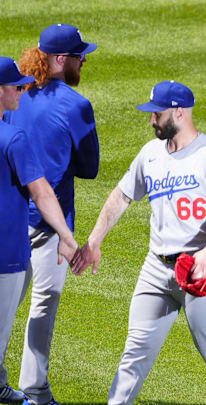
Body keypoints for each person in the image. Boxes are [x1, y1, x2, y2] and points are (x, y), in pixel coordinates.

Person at [71, 81, 206, 405]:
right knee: (135, 351)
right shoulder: (150, 154)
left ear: (179, 112)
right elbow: (120, 197)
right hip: (156, 269)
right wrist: (94, 240)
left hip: (198, 269)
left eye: (158, 114)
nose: (152, 121)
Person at [2, 24, 99, 405]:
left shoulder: (16, 94)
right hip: (50, 223)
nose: (83, 59)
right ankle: (36, 390)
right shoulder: (76, 105)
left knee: (3, 307)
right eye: (78, 55)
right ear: (61, 59)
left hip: (11, 219)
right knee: (43, 302)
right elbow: (90, 167)